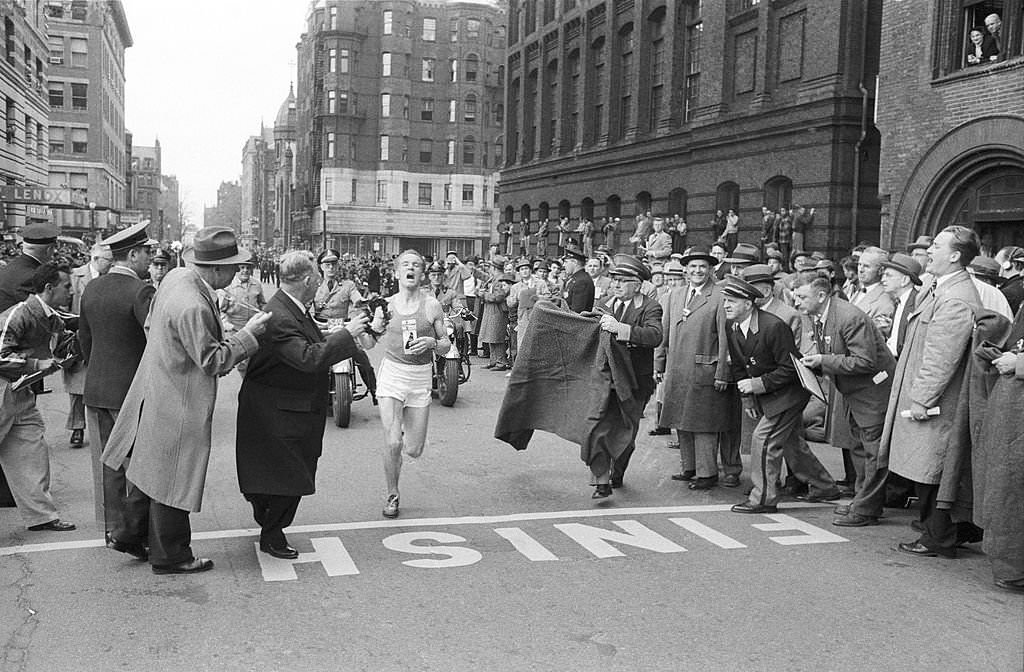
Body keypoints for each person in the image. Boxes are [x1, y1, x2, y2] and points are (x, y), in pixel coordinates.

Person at [101, 227, 271, 575]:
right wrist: (247, 336)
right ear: (217, 269)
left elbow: (152, 325)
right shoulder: (193, 304)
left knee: (152, 465)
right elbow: (214, 361)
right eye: (234, 267)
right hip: (180, 396)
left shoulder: (177, 278)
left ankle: (129, 533)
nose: (238, 273)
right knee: (175, 475)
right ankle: (172, 554)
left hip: (158, 383)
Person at [236, 251, 367, 559]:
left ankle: (267, 518)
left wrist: (329, 332)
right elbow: (309, 359)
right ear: (308, 280)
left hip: (281, 406)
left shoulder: (287, 306)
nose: (319, 284)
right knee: (291, 476)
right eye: (317, 279)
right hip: (279, 410)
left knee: (278, 474)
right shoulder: (281, 315)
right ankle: (272, 534)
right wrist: (347, 334)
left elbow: (303, 337)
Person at [882, 226, 983, 559]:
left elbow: (941, 357)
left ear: (955, 256)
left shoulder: (954, 298)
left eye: (936, 247)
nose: (928, 253)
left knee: (931, 469)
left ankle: (937, 536)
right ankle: (940, 531)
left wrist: (923, 399)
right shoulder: (943, 289)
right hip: (931, 395)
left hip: (936, 401)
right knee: (927, 467)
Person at [77, 223, 156, 557]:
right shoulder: (140, 291)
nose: (151, 259)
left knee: (109, 461)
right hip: (131, 392)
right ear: (133, 254)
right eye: (147, 253)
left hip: (96, 388)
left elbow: (84, 340)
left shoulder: (92, 289)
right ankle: (133, 532)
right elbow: (156, 342)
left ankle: (113, 528)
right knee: (140, 461)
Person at [794, 277, 895, 526]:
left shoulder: (849, 317)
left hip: (872, 393)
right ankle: (863, 500)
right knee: (860, 448)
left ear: (821, 296)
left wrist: (823, 361)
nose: (797, 302)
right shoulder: (822, 314)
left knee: (873, 452)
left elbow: (865, 362)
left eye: (802, 297)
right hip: (854, 391)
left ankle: (866, 509)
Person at [719, 275, 820, 514]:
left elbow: (791, 368)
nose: (726, 306)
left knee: (763, 440)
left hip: (790, 394)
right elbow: (738, 366)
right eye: (725, 301)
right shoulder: (731, 325)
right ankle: (824, 487)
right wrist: (748, 397)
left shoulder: (774, 326)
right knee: (793, 444)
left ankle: (763, 498)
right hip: (769, 393)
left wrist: (757, 385)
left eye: (732, 301)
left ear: (748, 304)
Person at [364, 250, 451, 519]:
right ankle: (392, 493)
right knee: (392, 443)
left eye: (415, 265)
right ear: (397, 272)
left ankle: (400, 441)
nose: (410, 268)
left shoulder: (431, 305)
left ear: (422, 273)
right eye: (405, 265)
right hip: (392, 375)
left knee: (412, 449)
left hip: (420, 376)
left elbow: (447, 345)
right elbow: (368, 344)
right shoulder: (386, 305)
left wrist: (433, 344)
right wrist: (373, 327)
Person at [0, 262, 78, 532]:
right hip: (4, 389)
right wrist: (37, 364)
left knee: (32, 449)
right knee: (30, 449)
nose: (71, 291)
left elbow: (65, 340)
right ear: (49, 288)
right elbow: (1, 355)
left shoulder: (50, 316)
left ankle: (41, 516)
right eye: (66, 286)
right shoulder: (18, 314)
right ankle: (40, 515)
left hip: (19, 391)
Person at [657, 246, 740, 490]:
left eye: (703, 266)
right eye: (692, 266)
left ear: (711, 269)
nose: (697, 271)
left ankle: (707, 473)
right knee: (681, 420)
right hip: (677, 369)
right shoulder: (675, 295)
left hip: (705, 369)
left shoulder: (719, 296)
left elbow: (726, 338)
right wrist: (659, 363)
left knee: (703, 423)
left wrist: (723, 372)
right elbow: (664, 332)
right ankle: (689, 467)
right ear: (685, 270)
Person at [584, 255, 663, 496]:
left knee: (626, 433)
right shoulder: (608, 303)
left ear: (637, 285)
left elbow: (654, 336)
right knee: (599, 429)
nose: (616, 285)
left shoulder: (650, 306)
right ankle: (602, 480)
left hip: (636, 382)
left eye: (623, 281)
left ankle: (617, 472)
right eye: (615, 280)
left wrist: (621, 330)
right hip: (607, 379)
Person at [64, 243, 113, 449]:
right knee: (76, 386)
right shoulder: (75, 277)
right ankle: (77, 426)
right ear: (95, 259)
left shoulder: (110, 279)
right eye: (108, 261)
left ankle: (100, 427)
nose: (111, 265)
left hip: (103, 336)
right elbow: (63, 305)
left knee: (99, 382)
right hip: (77, 335)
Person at [314, 249, 377, 402]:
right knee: (308, 358)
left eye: (334, 264)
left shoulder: (348, 285)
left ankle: (375, 391)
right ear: (320, 266)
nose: (331, 268)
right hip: (320, 330)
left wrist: (363, 303)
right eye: (327, 264)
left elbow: (357, 299)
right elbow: (305, 306)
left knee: (361, 356)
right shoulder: (314, 285)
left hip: (343, 329)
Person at [879, 253, 922, 358]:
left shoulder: (917, 304)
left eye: (888, 275)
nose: (882, 280)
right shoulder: (899, 302)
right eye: (883, 275)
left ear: (905, 280)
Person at [477, 259, 511, 371]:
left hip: (497, 310)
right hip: (492, 310)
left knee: (497, 336)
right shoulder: (495, 278)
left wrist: (484, 295)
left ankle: (501, 362)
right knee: (491, 336)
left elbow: (499, 297)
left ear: (494, 267)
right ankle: (493, 360)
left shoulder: (500, 279)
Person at [220, 260, 266, 331]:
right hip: (234, 330)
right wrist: (228, 325)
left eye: (248, 268)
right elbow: (220, 311)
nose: (245, 270)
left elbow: (262, 304)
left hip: (254, 329)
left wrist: (263, 314)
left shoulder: (257, 284)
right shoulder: (228, 285)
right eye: (242, 267)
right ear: (236, 270)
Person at [561, 243, 595, 313]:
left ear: (574, 262)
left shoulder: (582, 281)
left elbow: (577, 311)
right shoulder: (575, 278)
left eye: (566, 262)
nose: (564, 265)